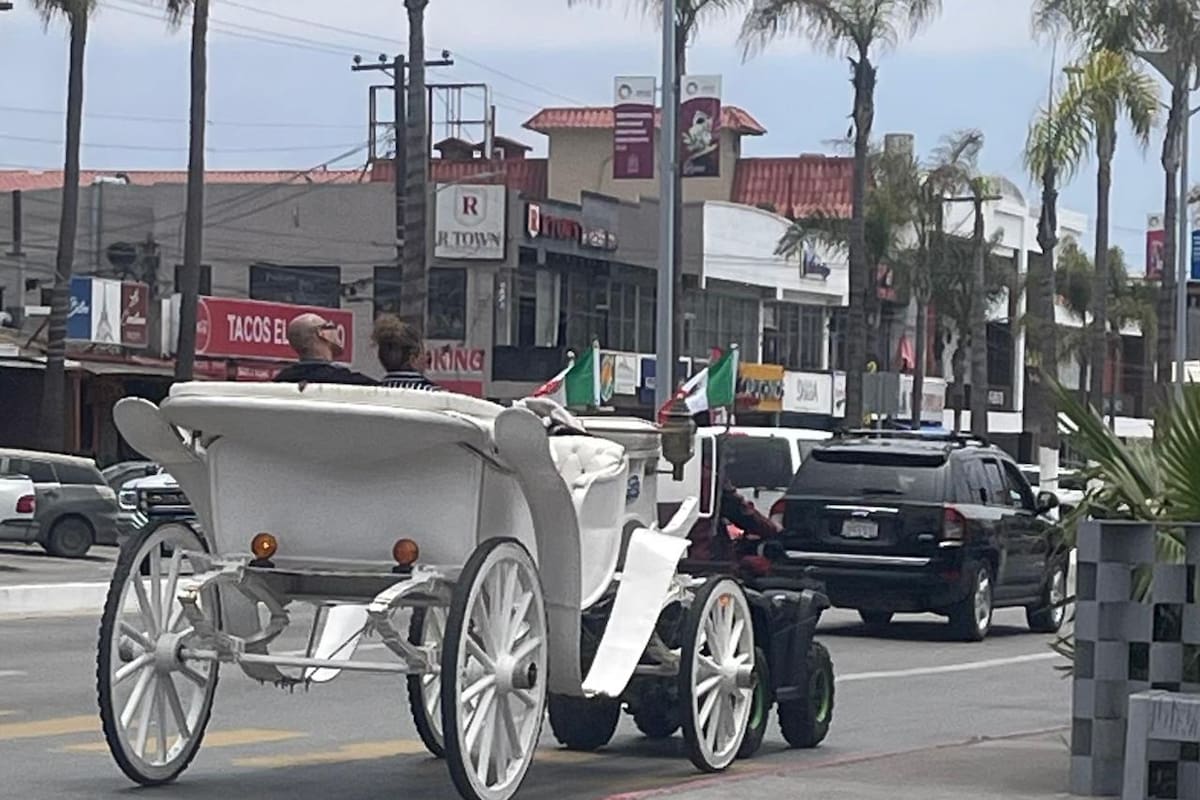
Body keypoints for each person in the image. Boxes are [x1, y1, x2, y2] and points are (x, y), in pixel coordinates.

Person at [273, 313, 378, 385]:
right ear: (321, 333)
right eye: (329, 326)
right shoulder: (348, 380)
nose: (335, 331)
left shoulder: (281, 380)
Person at [372, 314, 441, 390]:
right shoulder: (433, 392)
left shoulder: (371, 393)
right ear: (413, 359)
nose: (426, 360)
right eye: (424, 354)